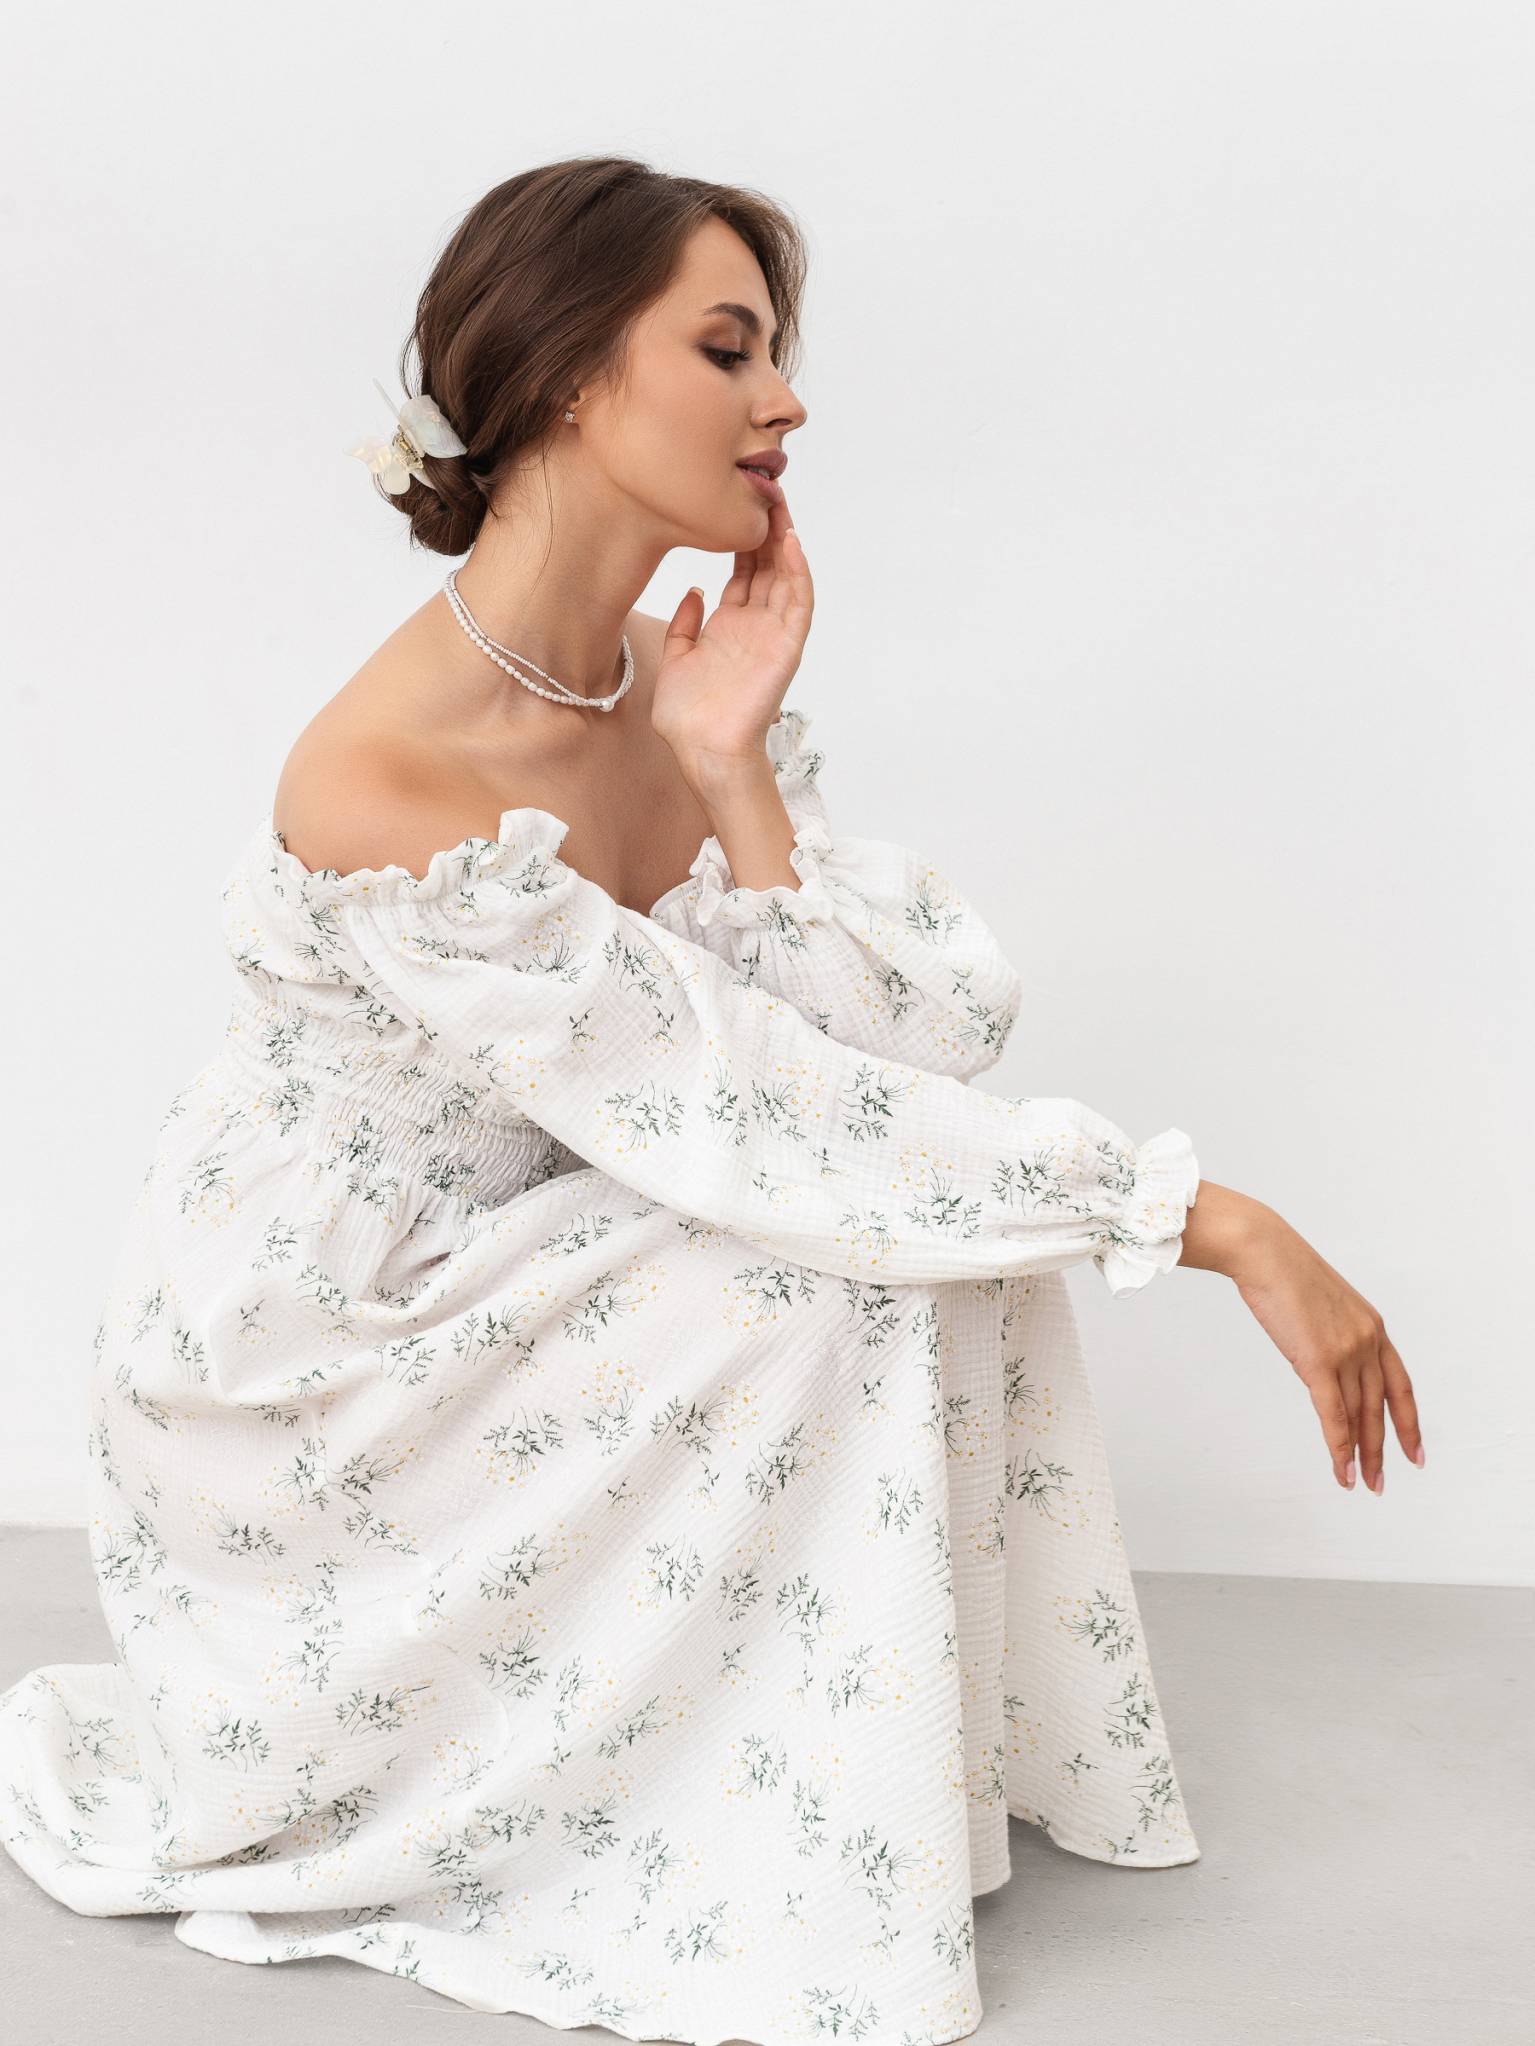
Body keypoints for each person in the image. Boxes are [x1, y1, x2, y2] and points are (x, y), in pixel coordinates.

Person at [0, 156, 1421, 2041]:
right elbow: (754, 1116)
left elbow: (897, 1057)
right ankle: (732, 1830)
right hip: (324, 1363)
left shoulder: (670, 686)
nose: (786, 402)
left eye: (777, 352)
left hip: (527, 1257)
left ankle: (822, 1789)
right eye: (730, 349)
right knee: (845, 1265)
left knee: (918, 1243)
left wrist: (730, 769)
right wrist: (1206, 1219)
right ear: (572, 374)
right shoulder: (390, 779)